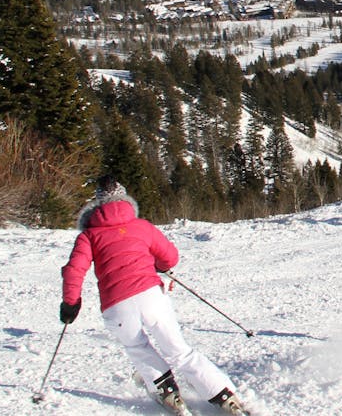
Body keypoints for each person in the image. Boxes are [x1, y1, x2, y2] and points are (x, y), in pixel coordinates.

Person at [60, 176, 248, 415]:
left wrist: (70, 304)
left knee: (138, 347)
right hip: (151, 296)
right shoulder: (141, 226)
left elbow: (74, 270)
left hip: (117, 305)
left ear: (97, 203)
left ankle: (168, 392)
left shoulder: (89, 236)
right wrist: (157, 264)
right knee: (180, 351)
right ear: (125, 198)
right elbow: (170, 257)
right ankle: (224, 397)